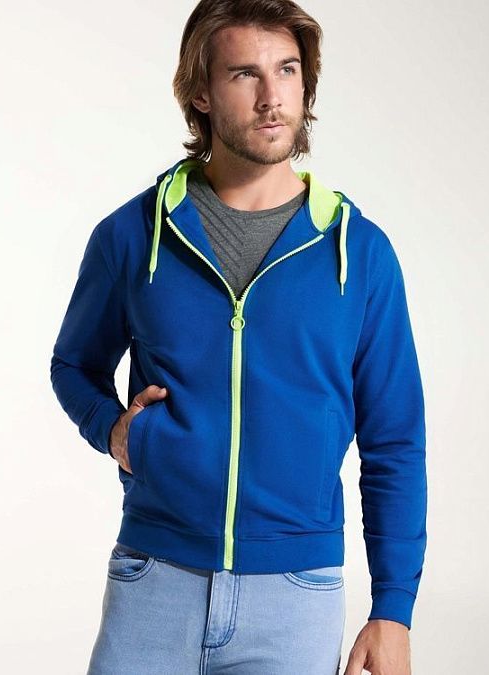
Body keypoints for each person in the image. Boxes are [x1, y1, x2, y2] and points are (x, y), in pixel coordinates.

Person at [50, 1, 427, 673]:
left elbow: (394, 440)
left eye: (287, 70)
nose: (271, 96)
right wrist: (113, 430)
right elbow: (73, 363)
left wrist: (393, 608)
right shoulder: (132, 235)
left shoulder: (359, 252)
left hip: (296, 595)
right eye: (244, 74)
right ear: (200, 92)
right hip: (153, 577)